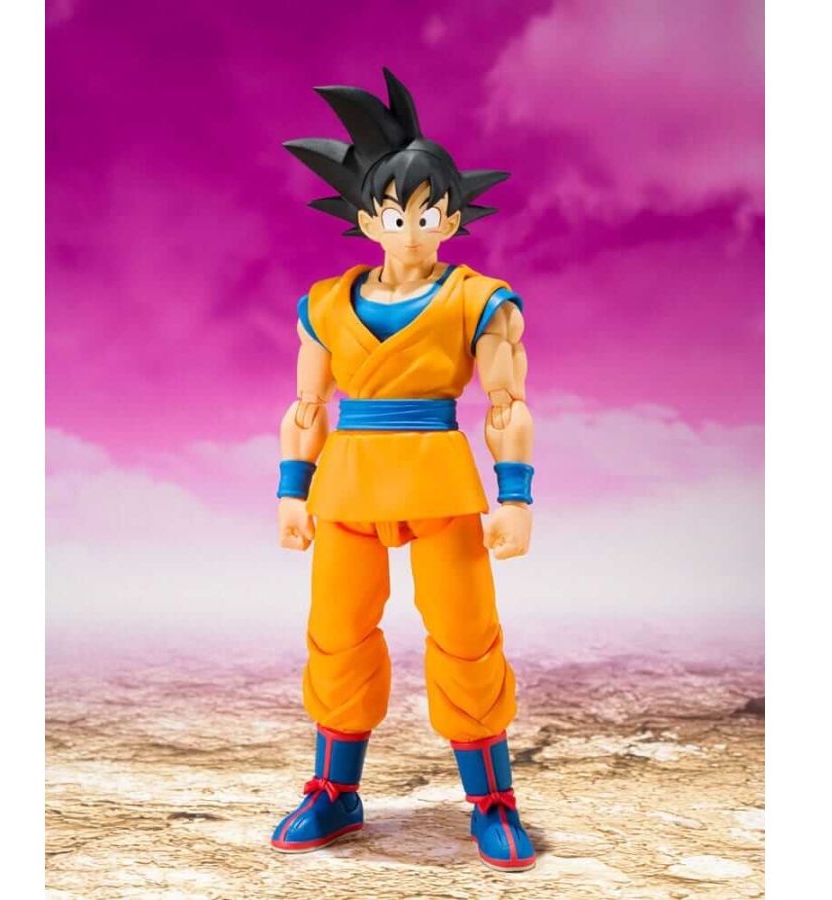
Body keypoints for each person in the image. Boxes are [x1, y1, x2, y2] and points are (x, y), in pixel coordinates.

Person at [271, 68, 537, 872]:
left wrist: (516, 497)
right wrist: (291, 489)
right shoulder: (325, 304)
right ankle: (334, 790)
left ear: (451, 218)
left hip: (439, 476)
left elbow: (506, 405)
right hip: (349, 479)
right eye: (396, 214)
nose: (412, 230)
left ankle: (492, 799)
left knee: (464, 632)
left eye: (427, 213)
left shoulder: (480, 300)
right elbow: (307, 406)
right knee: (337, 633)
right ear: (368, 220)